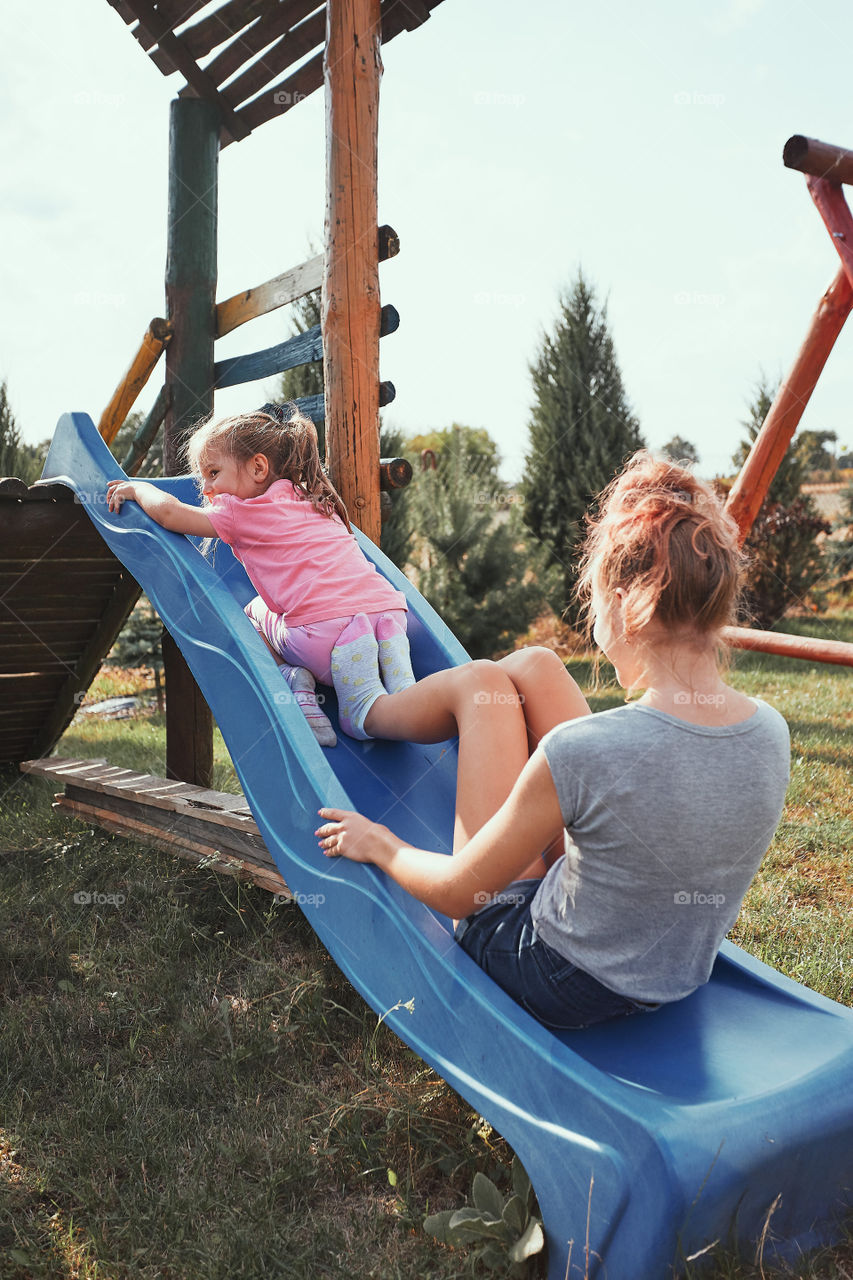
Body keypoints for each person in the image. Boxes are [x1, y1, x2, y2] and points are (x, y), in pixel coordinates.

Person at [315, 452, 792, 1031]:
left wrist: (380, 843)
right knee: (537, 664)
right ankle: (395, 707)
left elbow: (462, 895)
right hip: (677, 972)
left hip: (560, 978)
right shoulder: (771, 729)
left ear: (621, 606)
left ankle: (368, 709)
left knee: (482, 684)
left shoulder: (584, 752)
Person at [105, 403, 416, 747]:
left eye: (212, 473)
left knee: (251, 613)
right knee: (362, 618)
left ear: (257, 467)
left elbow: (168, 514)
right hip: (390, 614)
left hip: (324, 641)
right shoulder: (315, 497)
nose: (205, 489)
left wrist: (136, 488)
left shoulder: (240, 510)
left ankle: (294, 678)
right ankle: (394, 666)